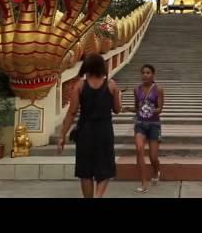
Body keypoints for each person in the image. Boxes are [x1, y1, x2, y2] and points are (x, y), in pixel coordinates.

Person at [58, 53, 122, 198]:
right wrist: (118, 96)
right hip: (104, 130)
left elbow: (72, 112)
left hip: (85, 131)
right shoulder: (111, 85)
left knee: (85, 170)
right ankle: (98, 196)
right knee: (105, 167)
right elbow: (117, 110)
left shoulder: (80, 86)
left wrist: (62, 135)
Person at [123, 64, 165, 194]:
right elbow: (137, 107)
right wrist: (128, 109)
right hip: (140, 124)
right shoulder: (137, 89)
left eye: (148, 73)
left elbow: (160, 109)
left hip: (154, 125)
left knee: (153, 156)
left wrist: (148, 108)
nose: (145, 75)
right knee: (139, 149)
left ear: (153, 74)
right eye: (143, 73)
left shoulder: (158, 89)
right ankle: (143, 183)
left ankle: (156, 170)